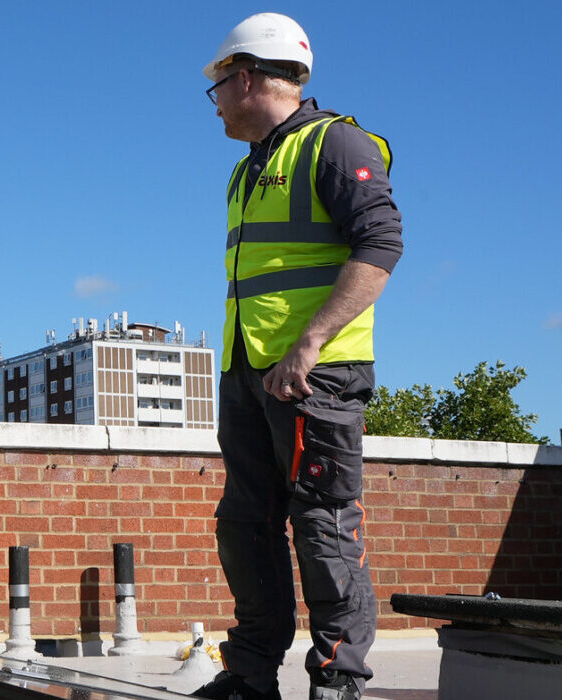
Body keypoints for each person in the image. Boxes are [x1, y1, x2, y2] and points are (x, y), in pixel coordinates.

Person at [195, 13, 403, 700]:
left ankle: (338, 680)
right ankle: (251, 676)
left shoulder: (335, 145)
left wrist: (308, 346)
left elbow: (380, 247)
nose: (216, 101)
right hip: (249, 375)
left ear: (246, 75)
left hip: (315, 377)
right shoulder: (245, 171)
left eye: (218, 86)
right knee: (245, 523)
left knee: (322, 522)